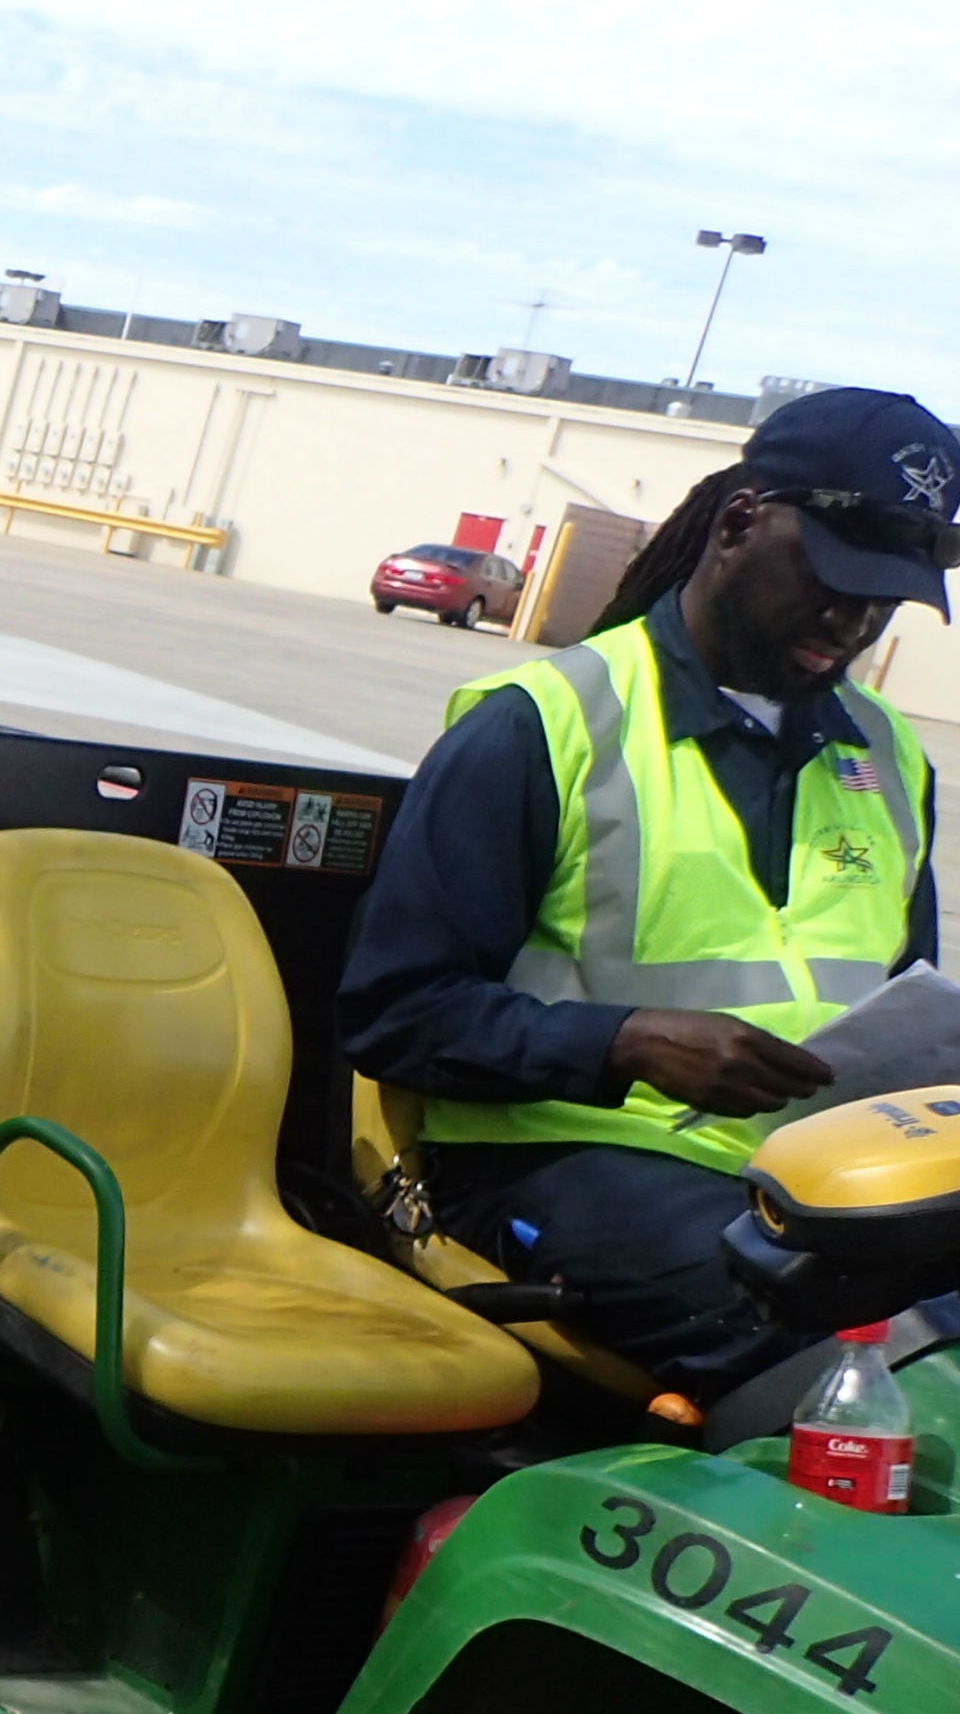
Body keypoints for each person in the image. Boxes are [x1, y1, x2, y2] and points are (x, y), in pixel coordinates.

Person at [342, 388, 956, 1398]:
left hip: (804, 1177)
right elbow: (394, 1013)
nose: (851, 620)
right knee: (840, 1346)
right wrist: (625, 1042)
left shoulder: (887, 758)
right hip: (559, 1157)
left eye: (886, 597)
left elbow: (904, 1006)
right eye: (833, 577)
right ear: (738, 525)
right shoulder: (541, 725)